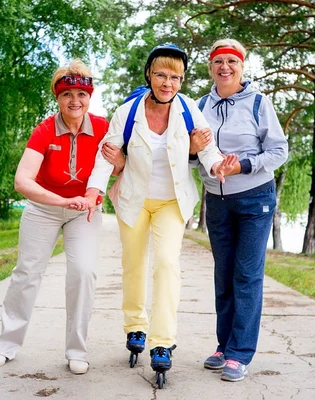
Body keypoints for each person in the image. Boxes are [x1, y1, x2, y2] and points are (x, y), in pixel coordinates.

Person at [85, 44, 237, 378]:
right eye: (161, 75)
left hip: (171, 201)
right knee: (134, 264)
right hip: (133, 199)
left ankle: (162, 341)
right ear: (149, 75)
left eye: (175, 77)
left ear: (181, 81)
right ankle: (135, 326)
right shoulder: (127, 112)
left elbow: (207, 148)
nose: (167, 83)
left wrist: (216, 167)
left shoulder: (187, 110)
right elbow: (107, 153)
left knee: (167, 265)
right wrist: (94, 191)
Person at [0, 59, 111, 375]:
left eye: (81, 95)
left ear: (90, 97)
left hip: (83, 212)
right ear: (58, 96)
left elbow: (115, 167)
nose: (75, 101)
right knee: (27, 273)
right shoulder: (44, 129)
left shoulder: (103, 127)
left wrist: (112, 169)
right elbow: (22, 181)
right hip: (43, 209)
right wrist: (61, 200)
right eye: (67, 94)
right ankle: (6, 344)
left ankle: (77, 350)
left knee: (83, 273)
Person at [192, 39, 288, 382]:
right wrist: (192, 150)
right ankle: (224, 346)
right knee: (224, 274)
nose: (225, 67)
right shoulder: (200, 105)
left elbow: (278, 152)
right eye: (219, 61)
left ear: (242, 67)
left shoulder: (260, 103)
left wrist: (242, 165)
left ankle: (240, 352)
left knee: (246, 274)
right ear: (211, 67)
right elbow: (190, 154)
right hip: (216, 201)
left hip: (254, 198)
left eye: (232, 61)